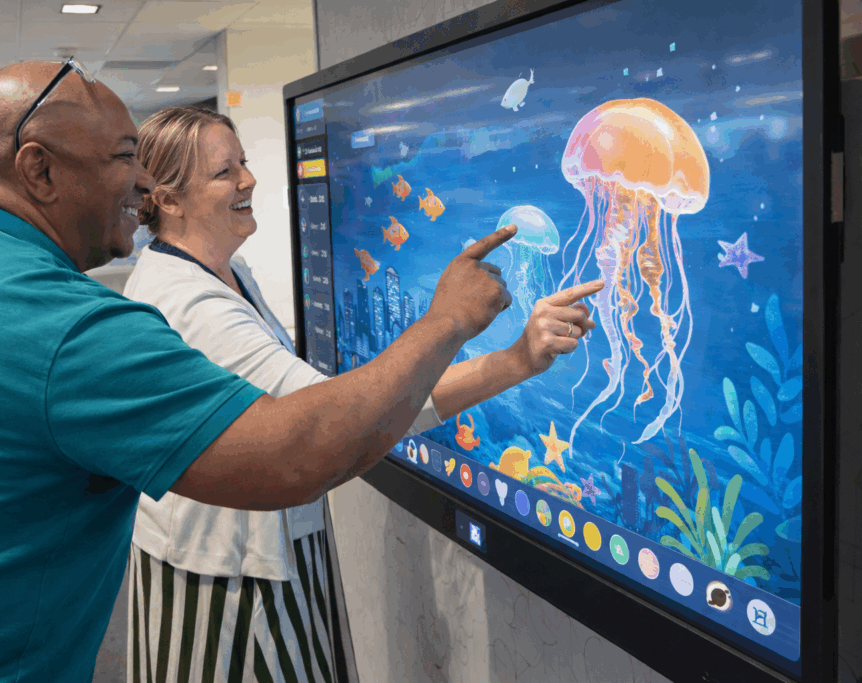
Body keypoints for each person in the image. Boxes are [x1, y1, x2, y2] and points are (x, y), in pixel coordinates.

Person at [0, 62, 597, 683]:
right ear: (37, 169)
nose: (133, 190)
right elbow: (307, 446)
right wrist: (451, 325)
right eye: (121, 162)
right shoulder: (75, 328)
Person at [124, 107, 603, 683]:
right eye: (225, 172)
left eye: (245, 161)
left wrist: (518, 359)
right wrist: (448, 321)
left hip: (258, 555)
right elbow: (338, 421)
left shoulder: (229, 272)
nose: (249, 179)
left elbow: (361, 404)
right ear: (169, 200)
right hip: (227, 583)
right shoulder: (189, 305)